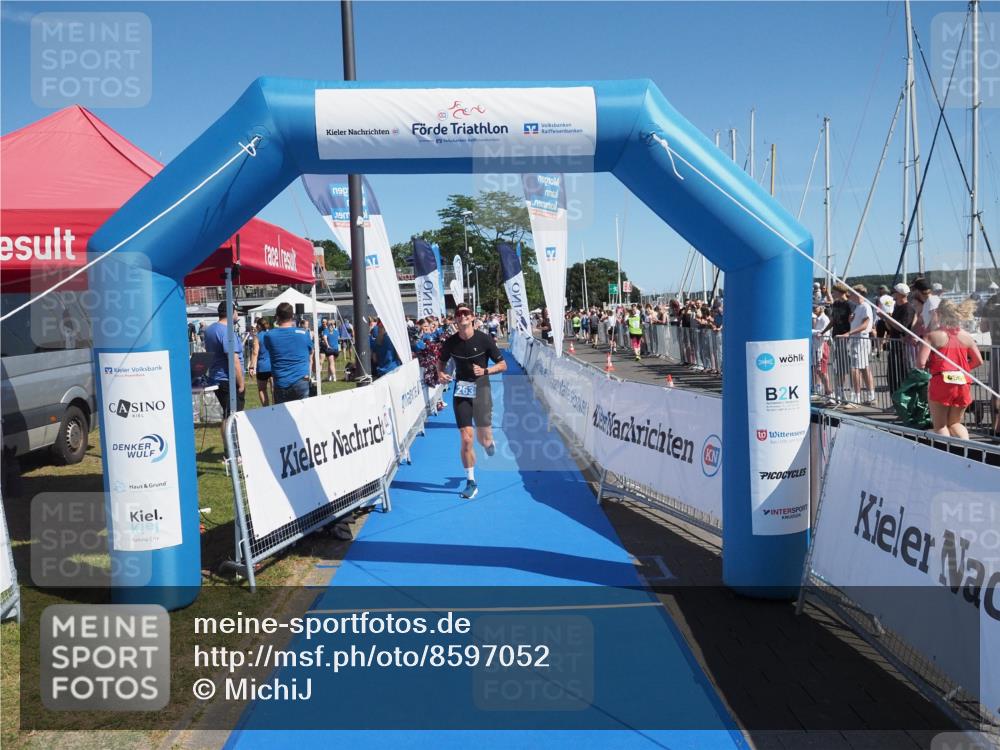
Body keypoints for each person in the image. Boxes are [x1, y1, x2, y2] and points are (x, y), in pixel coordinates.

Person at [436, 304, 507, 500]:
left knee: (483, 439)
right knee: (466, 438)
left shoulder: (484, 339)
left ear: (472, 317)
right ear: (455, 320)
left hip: (482, 389)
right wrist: (440, 373)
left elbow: (503, 364)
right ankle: (470, 481)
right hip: (462, 391)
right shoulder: (450, 342)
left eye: (466, 314)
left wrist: (485, 371)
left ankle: (489, 442)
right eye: (458, 314)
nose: (462, 317)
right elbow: (440, 362)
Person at [916, 299, 983, 440]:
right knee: (955, 423)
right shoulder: (966, 337)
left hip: (941, 380)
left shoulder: (932, 336)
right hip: (963, 381)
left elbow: (920, 363)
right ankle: (966, 450)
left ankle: (945, 454)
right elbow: (978, 361)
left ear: (939, 314)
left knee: (940, 425)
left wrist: (932, 366)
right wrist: (961, 369)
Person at [204, 302, 246, 439]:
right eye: (236, 311)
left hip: (217, 377)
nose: (237, 314)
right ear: (231, 312)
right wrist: (241, 383)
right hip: (228, 379)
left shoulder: (210, 329)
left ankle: (229, 450)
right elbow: (233, 359)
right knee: (233, 417)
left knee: (227, 415)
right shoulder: (226, 331)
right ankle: (233, 450)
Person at [264, 302, 313, 403]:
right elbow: (311, 351)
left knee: (283, 416)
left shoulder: (269, 336)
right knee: (303, 415)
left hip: (281, 381)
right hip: (301, 380)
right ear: (292, 316)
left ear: (277, 317)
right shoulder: (304, 333)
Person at [840, 284, 876, 406]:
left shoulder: (865, 306)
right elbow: (859, 323)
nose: (850, 295)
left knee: (855, 368)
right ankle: (871, 395)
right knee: (864, 367)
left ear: (858, 294)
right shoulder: (858, 307)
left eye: (852, 293)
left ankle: (856, 397)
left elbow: (865, 325)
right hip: (858, 339)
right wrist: (851, 320)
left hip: (860, 340)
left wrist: (848, 333)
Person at [884, 283, 917, 396]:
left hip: (902, 347)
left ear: (900, 294)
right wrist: (886, 318)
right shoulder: (896, 307)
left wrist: (887, 318)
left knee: (900, 375)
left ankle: (902, 401)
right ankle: (895, 401)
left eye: (895, 292)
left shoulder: (908, 308)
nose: (893, 294)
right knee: (892, 375)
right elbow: (891, 327)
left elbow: (901, 327)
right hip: (894, 344)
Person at [979, 291, 1000, 439]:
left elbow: (983, 328)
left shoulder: (992, 301)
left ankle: (995, 427)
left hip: (996, 348)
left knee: (996, 390)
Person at [249, 318, 273, 407]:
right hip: (273, 365)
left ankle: (266, 408)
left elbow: (255, 352)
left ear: (259, 326)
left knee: (262, 389)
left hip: (262, 366)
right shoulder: (271, 335)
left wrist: (251, 367)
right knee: (274, 389)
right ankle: (276, 407)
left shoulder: (257, 336)